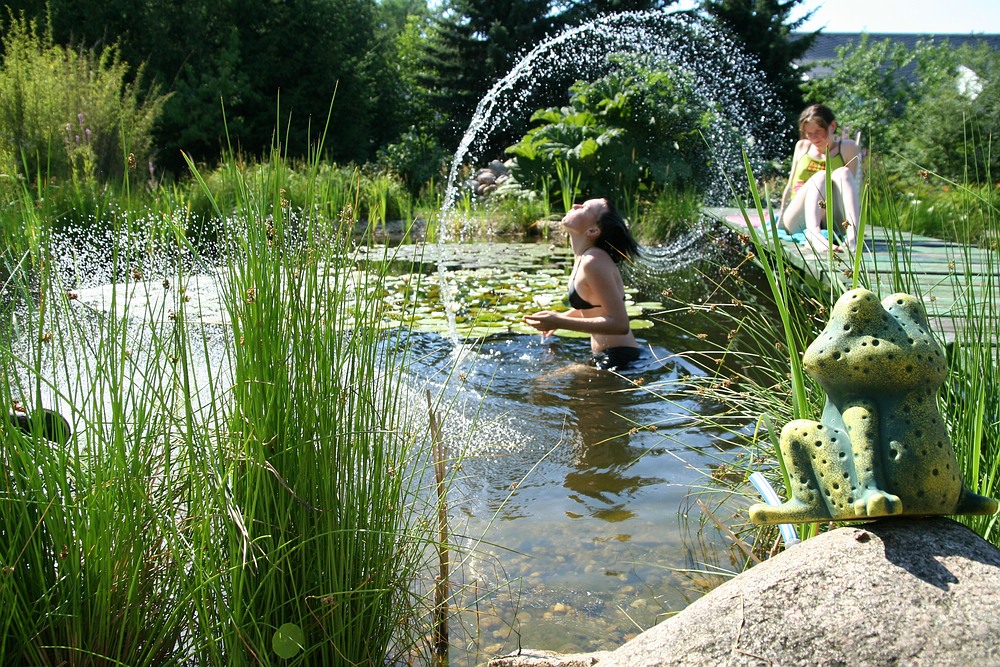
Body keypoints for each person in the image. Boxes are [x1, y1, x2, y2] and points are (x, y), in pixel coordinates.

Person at [524, 198, 642, 371]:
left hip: (620, 358)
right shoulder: (585, 257)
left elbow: (620, 324)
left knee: (542, 386)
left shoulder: (594, 261)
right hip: (607, 355)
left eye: (585, 208)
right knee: (544, 385)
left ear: (593, 230)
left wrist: (559, 321)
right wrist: (560, 318)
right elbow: (594, 310)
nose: (575, 205)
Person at [779, 104, 862, 253]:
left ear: (832, 126)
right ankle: (814, 234)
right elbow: (790, 185)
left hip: (832, 218)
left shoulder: (848, 148)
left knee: (843, 173)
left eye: (818, 131)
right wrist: (778, 224)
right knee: (821, 175)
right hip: (799, 217)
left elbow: (849, 190)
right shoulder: (802, 147)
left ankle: (853, 235)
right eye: (808, 133)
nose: (814, 138)